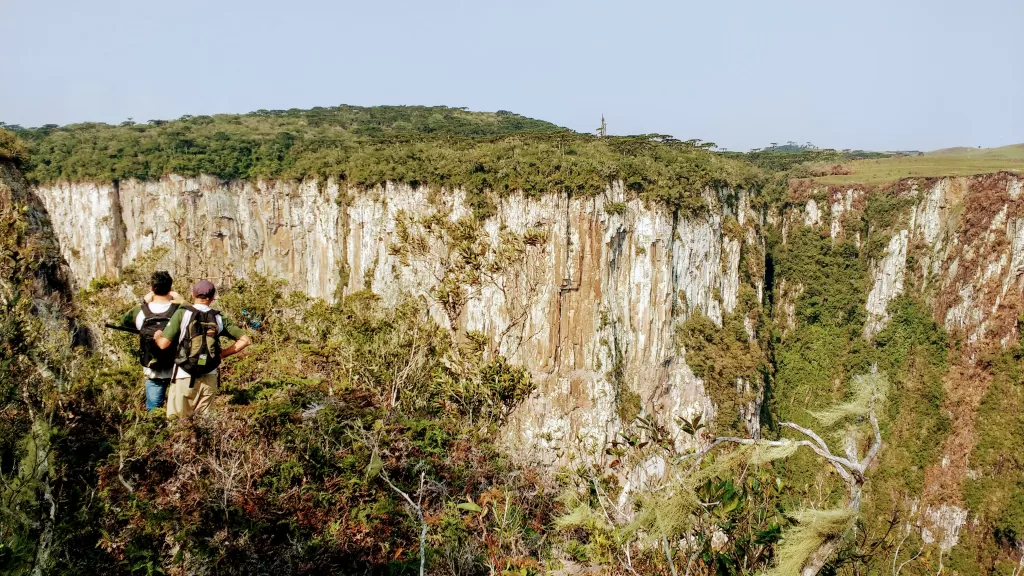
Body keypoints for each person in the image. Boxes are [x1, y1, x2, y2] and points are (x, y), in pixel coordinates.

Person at [153, 279, 251, 418]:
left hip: (183, 375)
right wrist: (221, 355)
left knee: (177, 423)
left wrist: (158, 336)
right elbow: (245, 340)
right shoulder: (218, 317)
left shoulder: (182, 313)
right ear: (212, 298)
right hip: (209, 376)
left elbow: (163, 344)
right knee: (203, 425)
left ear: (193, 294)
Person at [118, 271, 185, 410]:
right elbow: (199, 316)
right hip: (178, 368)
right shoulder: (181, 310)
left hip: (153, 368)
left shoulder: (140, 311)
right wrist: (182, 301)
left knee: (154, 411)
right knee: (179, 412)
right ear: (171, 289)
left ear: (151, 289)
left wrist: (143, 302)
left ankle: (155, 430)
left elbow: (123, 321)